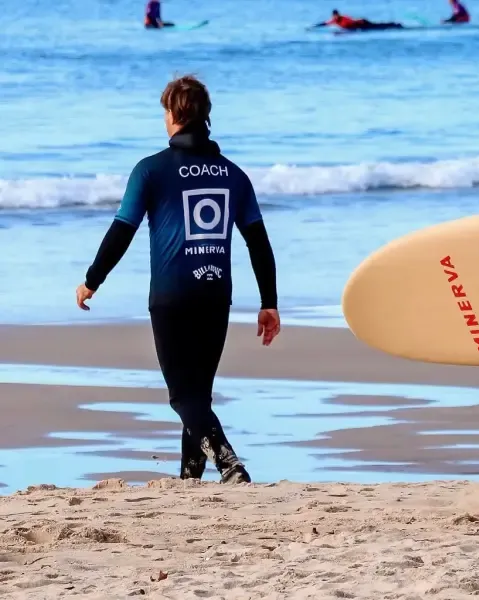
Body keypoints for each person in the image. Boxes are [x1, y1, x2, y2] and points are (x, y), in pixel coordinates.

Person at [76, 75, 281, 485]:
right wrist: (268, 302)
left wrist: (92, 279)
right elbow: (258, 241)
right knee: (197, 393)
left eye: (166, 111)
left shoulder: (151, 171)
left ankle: (229, 463)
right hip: (215, 293)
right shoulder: (233, 174)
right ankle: (190, 477)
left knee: (183, 395)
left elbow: (122, 230)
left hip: (171, 296)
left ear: (175, 114)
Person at [313, 9, 403, 31]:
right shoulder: (334, 21)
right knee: (377, 26)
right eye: (334, 16)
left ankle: (394, 25)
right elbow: (324, 23)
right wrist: (314, 27)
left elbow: (353, 22)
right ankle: (394, 25)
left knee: (378, 26)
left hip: (362, 23)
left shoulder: (344, 17)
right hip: (357, 26)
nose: (336, 17)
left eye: (337, 15)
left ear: (338, 14)